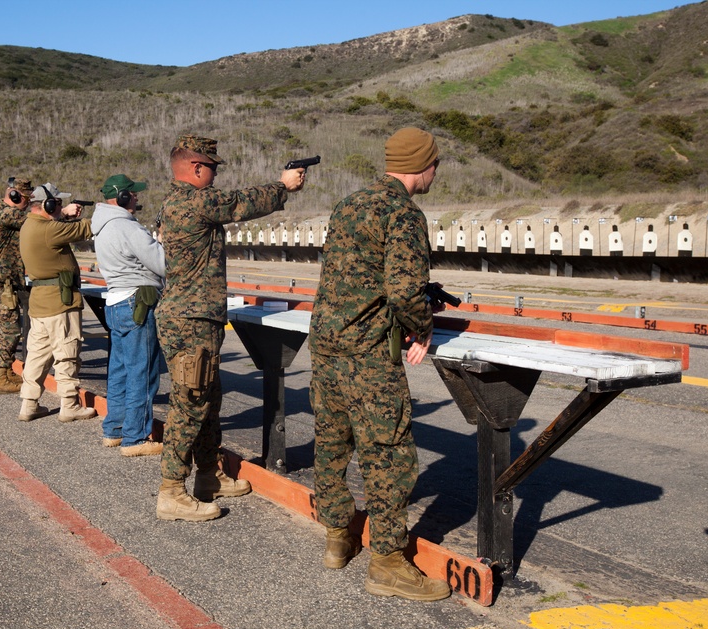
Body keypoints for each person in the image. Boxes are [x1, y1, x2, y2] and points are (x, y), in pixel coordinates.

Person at [309, 127, 451, 602]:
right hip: (368, 354)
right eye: (435, 164)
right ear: (422, 166)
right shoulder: (404, 213)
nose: (436, 172)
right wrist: (424, 327)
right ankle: (388, 562)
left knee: (332, 444)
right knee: (388, 454)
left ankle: (337, 538)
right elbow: (406, 290)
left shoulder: (348, 204)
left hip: (327, 347)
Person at [154, 134, 305, 521]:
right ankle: (172, 490)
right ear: (197, 167)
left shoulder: (175, 202)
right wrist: (282, 185)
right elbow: (241, 202)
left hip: (197, 318)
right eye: (213, 168)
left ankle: (207, 476)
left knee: (208, 400)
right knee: (190, 404)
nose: (216, 176)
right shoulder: (192, 201)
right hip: (191, 320)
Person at [91, 174, 164, 456]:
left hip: (116, 301)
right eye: (132, 194)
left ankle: (114, 430)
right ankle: (135, 437)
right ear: (122, 197)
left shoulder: (103, 226)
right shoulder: (127, 227)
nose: (136, 198)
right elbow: (161, 263)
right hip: (137, 301)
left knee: (120, 370)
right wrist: (162, 243)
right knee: (142, 372)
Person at [17, 183, 96, 422]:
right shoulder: (49, 229)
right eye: (57, 203)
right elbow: (87, 228)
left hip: (40, 303)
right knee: (67, 353)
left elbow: (57, 228)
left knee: (37, 356)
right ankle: (69, 405)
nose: (60, 206)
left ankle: (29, 404)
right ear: (47, 205)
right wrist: (109, 210)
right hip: (59, 302)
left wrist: (62, 214)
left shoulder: (30, 225)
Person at [0, 177, 34, 394]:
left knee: (4, 327)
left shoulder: (5, 212)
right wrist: (61, 213)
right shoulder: (5, 213)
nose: (28, 204)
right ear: (14, 196)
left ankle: (5, 370)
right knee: (10, 328)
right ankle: (1, 378)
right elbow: (34, 221)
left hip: (3, 280)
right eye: (26, 199)